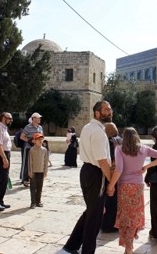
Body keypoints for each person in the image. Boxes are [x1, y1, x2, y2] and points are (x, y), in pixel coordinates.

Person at [63, 101, 113, 254]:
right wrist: (111, 181)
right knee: (95, 217)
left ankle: (72, 245)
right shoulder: (98, 132)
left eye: (110, 109)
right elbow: (102, 160)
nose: (110, 112)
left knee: (90, 211)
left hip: (86, 171)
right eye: (106, 110)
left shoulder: (87, 127)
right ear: (97, 113)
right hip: (96, 174)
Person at [106, 127, 157, 254]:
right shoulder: (144, 149)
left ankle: (128, 248)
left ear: (124, 137)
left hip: (124, 187)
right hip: (138, 186)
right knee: (134, 215)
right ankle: (130, 245)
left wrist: (111, 186)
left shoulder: (119, 149)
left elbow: (119, 170)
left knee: (125, 216)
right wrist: (146, 166)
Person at [101, 122, 121, 233]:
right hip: (121, 174)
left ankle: (108, 225)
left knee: (109, 200)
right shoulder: (121, 140)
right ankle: (117, 224)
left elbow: (109, 159)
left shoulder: (109, 141)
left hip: (112, 174)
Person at [19, 112, 43, 187]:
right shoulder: (28, 127)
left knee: (35, 164)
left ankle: (33, 178)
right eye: (38, 118)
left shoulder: (40, 127)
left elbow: (42, 136)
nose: (39, 119)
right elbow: (22, 136)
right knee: (27, 163)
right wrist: (30, 141)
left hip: (37, 148)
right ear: (34, 118)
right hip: (29, 147)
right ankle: (25, 179)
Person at [28, 133, 49, 209]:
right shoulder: (32, 150)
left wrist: (45, 171)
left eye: (41, 139)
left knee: (40, 187)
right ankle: (33, 202)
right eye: (38, 139)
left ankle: (38, 201)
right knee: (33, 188)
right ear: (34, 141)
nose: (40, 141)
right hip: (33, 171)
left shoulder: (44, 150)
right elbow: (30, 161)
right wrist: (30, 171)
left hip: (41, 172)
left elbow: (46, 162)